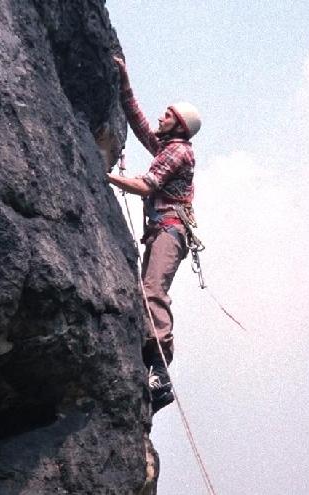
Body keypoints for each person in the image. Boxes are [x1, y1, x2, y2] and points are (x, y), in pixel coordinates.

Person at [107, 56, 201, 413]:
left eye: (168, 115)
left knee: (152, 291)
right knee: (147, 291)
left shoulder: (178, 151)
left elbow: (148, 185)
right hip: (162, 229)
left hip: (169, 229)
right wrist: (124, 79)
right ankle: (153, 366)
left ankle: (160, 370)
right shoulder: (167, 145)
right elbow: (139, 121)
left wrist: (108, 177)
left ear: (178, 126)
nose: (161, 117)